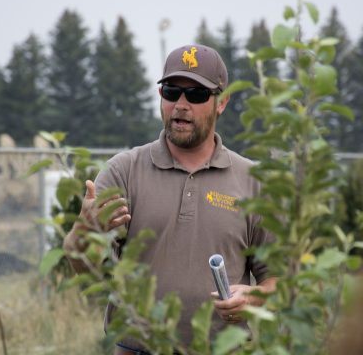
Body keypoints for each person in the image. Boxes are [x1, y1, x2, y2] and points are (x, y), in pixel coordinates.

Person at [63, 44, 276, 354]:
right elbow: (81, 266)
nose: (181, 104)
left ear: (222, 102)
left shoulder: (253, 182)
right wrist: (84, 234)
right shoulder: (125, 171)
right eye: (172, 92)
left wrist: (256, 299)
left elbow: (280, 280)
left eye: (197, 95)